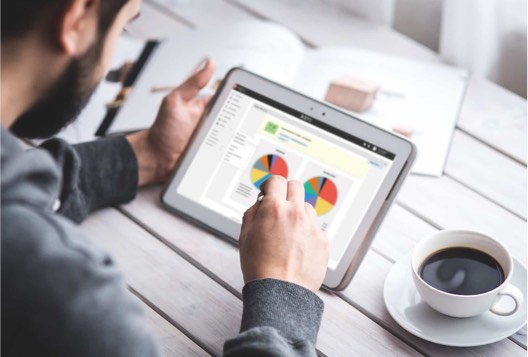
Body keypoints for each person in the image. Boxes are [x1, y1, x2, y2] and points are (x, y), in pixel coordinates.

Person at [1, 0, 330, 356]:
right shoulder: (70, 300)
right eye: (123, 27)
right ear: (76, 17)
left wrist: (143, 156)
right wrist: (284, 295)